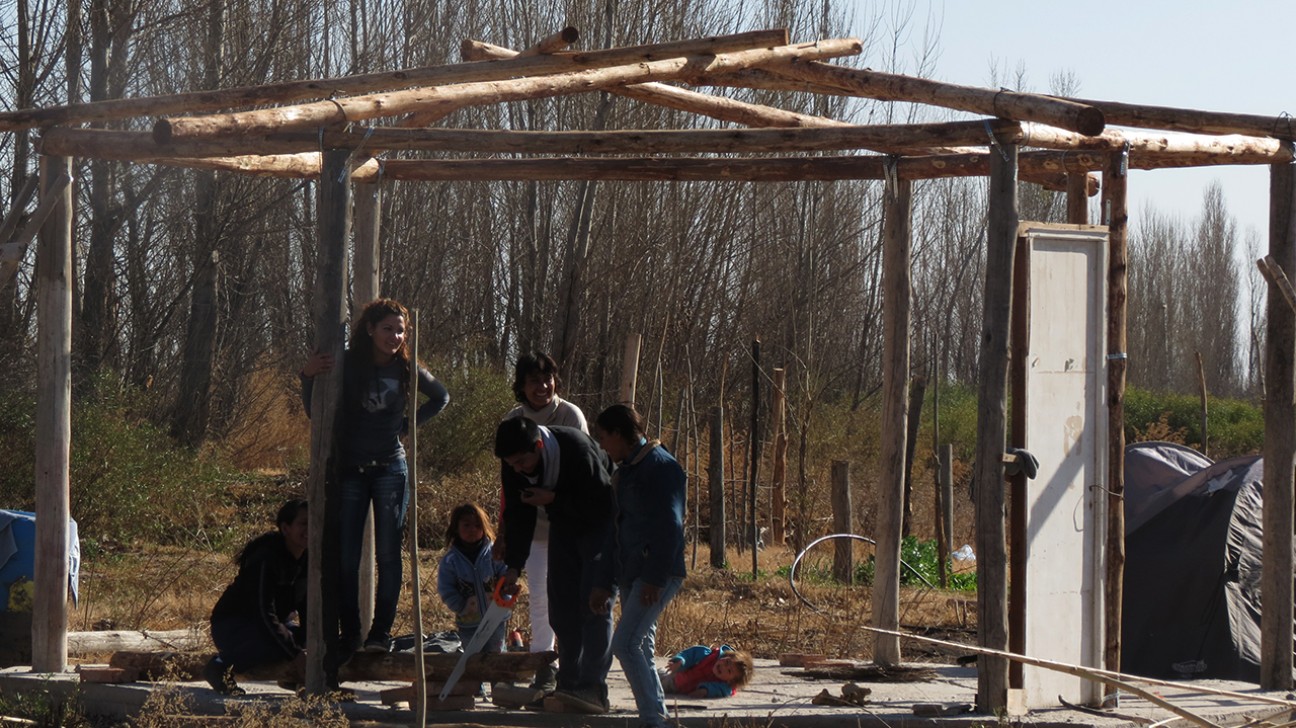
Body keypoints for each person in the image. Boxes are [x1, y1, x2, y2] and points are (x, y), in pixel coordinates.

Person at [300, 298, 450, 655]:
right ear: (370, 329)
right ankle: (350, 634)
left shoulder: (407, 369)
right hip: (351, 469)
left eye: (400, 330)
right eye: (388, 328)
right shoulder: (348, 364)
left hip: (390, 470)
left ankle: (379, 635)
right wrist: (307, 376)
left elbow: (441, 398)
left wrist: (404, 426)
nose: (395, 336)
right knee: (347, 557)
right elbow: (313, 412)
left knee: (388, 555)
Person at [494, 416, 615, 714]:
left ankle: (594, 688)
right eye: (512, 465)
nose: (518, 469)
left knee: (594, 603)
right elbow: (519, 515)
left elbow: (603, 506)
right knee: (561, 607)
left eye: (522, 461)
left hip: (599, 528)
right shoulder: (514, 464)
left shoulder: (577, 449)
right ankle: (569, 684)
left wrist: (553, 498)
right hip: (562, 524)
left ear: (537, 445)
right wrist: (513, 567)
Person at [590, 404, 687, 728]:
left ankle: (652, 721)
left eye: (604, 437)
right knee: (641, 645)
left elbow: (670, 527)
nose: (602, 445)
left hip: (657, 573)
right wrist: (605, 583)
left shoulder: (661, 468)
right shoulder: (626, 473)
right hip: (633, 570)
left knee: (625, 644)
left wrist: (654, 578)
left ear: (619, 434)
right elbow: (615, 531)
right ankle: (656, 718)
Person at [499, 351, 586, 693]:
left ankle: (574, 666)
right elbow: (508, 482)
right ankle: (542, 664)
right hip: (531, 523)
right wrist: (505, 529)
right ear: (521, 386)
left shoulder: (570, 415)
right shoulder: (512, 419)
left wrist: (555, 498)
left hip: (569, 521)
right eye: (534, 380)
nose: (543, 386)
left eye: (548, 378)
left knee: (571, 595)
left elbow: (582, 472)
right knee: (539, 596)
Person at [203, 499, 309, 696]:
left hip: (273, 624)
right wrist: (294, 653)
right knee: (278, 645)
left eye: (314, 522)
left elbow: (307, 607)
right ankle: (219, 667)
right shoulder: (265, 559)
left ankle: (290, 678)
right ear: (285, 528)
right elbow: (263, 613)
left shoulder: (308, 558)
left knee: (312, 641)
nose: (310, 529)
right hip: (234, 626)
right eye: (303, 524)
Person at [437, 502, 509, 654]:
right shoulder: (451, 561)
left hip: (496, 618)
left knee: (497, 656)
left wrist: (506, 596)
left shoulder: (494, 553)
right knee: (472, 659)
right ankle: (476, 679)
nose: (472, 530)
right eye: (466, 525)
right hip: (469, 622)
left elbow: (506, 575)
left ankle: (500, 679)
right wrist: (460, 606)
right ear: (456, 528)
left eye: (477, 525)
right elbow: (446, 588)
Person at [659, 644, 754, 699]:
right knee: (653, 678)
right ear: (726, 655)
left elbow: (722, 690)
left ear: (731, 681)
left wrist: (705, 691)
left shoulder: (725, 686)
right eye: (727, 661)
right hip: (674, 680)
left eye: (729, 671)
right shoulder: (708, 656)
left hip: (683, 689)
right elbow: (690, 654)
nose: (724, 667)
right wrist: (680, 661)